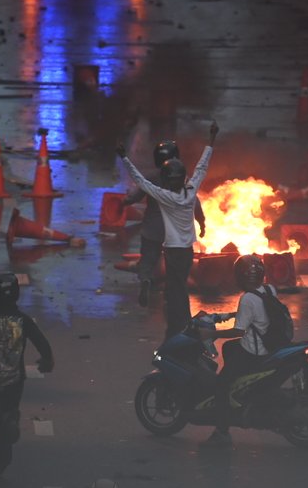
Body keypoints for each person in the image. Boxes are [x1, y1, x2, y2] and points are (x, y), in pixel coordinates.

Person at [118, 121, 219, 338]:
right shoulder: (190, 191)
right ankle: (183, 321)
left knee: (172, 285)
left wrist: (124, 157)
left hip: (171, 250)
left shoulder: (164, 196)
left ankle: (178, 323)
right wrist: (212, 138)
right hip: (187, 251)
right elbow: (202, 166)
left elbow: (140, 181)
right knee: (179, 285)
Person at [0, 270, 55, 479]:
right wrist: (47, 360)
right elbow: (41, 342)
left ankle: (6, 433)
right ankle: (3, 454)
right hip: (14, 379)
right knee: (7, 416)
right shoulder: (23, 320)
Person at [203, 254, 278, 447]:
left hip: (254, 352)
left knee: (221, 383)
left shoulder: (247, 299)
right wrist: (231, 315)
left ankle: (222, 431)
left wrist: (211, 334)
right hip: (271, 344)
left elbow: (238, 331)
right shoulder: (269, 290)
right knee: (229, 348)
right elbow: (259, 312)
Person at [123, 140, 206, 308]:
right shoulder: (182, 179)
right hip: (172, 233)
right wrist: (202, 224)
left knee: (148, 259)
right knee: (172, 264)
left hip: (151, 230)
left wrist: (125, 201)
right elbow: (195, 203)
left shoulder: (152, 178)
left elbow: (134, 197)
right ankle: (170, 292)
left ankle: (146, 279)